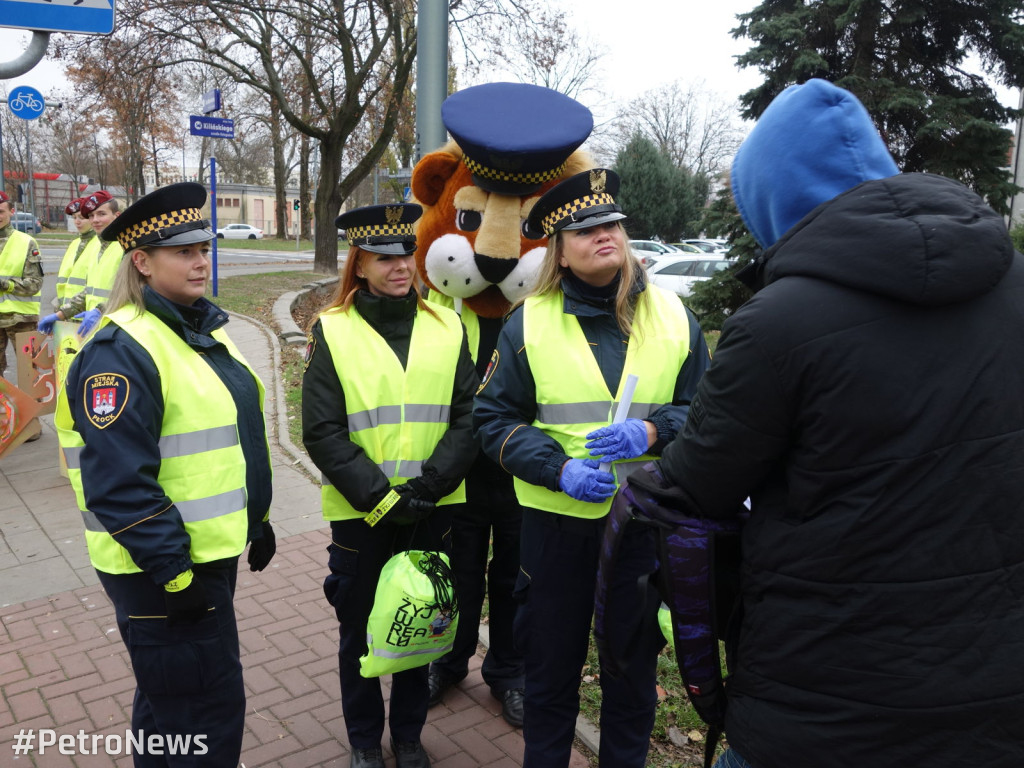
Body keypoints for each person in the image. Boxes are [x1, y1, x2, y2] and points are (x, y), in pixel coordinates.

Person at [656, 79, 1024, 768]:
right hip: (998, 697)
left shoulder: (778, 324)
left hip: (824, 703)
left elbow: (694, 491)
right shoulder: (1014, 284)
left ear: (771, 200)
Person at [473, 168, 711, 768]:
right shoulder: (528, 322)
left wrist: (654, 430)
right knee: (549, 677)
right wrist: (557, 470)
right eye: (584, 229)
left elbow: (708, 413)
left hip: (640, 528)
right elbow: (494, 421)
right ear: (559, 248)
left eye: (610, 223)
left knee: (630, 678)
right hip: (555, 533)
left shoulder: (676, 316)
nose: (603, 234)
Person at [55, 182, 276, 767]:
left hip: (198, 558)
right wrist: (175, 573)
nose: (201, 259)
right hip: (161, 570)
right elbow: (118, 483)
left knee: (168, 705)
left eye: (203, 247)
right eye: (183, 251)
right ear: (142, 262)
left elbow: (234, 436)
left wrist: (256, 518)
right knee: (205, 716)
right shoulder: (120, 351)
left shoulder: (198, 328)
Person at [302, 203, 478, 768]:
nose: (400, 265)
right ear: (359, 265)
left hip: (432, 506)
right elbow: (323, 431)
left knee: (418, 625)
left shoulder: (448, 324)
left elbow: (469, 414)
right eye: (384, 257)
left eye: (407, 253)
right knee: (360, 631)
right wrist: (381, 499)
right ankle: (362, 742)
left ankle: (407, 736)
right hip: (362, 514)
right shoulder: (331, 331)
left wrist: (430, 484)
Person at [37, 197, 100, 334]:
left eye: (81, 217)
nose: (77, 221)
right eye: (74, 217)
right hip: (68, 316)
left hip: (88, 316)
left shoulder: (100, 243)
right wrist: (59, 313)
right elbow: (63, 284)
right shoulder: (74, 244)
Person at [0, 190, 43, 379]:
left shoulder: (26, 242)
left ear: (11, 212)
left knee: (30, 375)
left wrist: (5, 285)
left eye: (1, 211)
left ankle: (32, 409)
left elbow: (34, 284)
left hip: (21, 319)